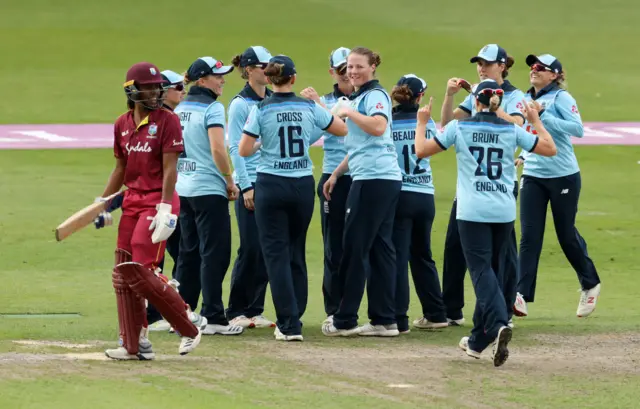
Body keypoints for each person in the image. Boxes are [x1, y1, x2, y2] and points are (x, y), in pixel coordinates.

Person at [414, 79, 557, 367]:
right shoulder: (510, 129)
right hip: (503, 210)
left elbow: (421, 150)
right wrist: (535, 121)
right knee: (495, 270)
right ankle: (479, 340)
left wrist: (422, 122)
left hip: (472, 211)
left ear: (475, 102)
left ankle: (497, 323)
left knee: (481, 272)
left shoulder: (461, 127)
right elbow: (549, 148)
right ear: (497, 103)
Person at [239, 55, 348, 341]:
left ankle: (288, 324)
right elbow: (340, 128)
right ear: (294, 79)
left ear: (270, 79)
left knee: (275, 254)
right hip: (301, 184)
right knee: (295, 250)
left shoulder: (261, 108)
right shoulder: (308, 105)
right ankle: (295, 313)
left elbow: (244, 150)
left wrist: (265, 141)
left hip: (271, 184)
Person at [101, 61, 202, 360]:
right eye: (149, 87)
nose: (157, 92)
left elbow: (171, 170)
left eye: (159, 87)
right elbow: (120, 168)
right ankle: (134, 343)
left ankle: (189, 324)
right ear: (132, 90)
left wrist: (164, 207)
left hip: (159, 201)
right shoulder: (122, 124)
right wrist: (103, 204)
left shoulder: (168, 120)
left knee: (142, 271)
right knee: (123, 273)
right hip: (131, 202)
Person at [439, 44, 526, 327]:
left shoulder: (515, 96)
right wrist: (451, 96)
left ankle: (504, 310)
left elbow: (516, 124)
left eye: (487, 63)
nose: (481, 67)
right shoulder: (478, 92)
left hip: (500, 183)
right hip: (470, 183)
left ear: (502, 65)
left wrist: (490, 104)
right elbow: (448, 122)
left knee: (503, 254)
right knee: (454, 244)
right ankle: (451, 310)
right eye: (479, 63)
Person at [321, 47, 403, 338]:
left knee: (354, 248)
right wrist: (336, 173)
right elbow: (362, 145)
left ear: (372, 68)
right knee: (380, 249)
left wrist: (350, 112)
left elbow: (379, 127)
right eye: (349, 67)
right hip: (378, 178)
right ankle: (384, 319)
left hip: (373, 180)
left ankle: (345, 319)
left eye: (358, 66)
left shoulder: (375, 96)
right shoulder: (360, 97)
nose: (352, 72)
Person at [513, 54, 601, 318]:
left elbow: (577, 129)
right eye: (532, 66)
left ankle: (590, 283)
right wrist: (523, 155)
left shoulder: (562, 98)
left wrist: (542, 117)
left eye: (540, 67)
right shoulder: (528, 99)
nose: (534, 70)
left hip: (563, 175)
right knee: (529, 236)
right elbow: (531, 135)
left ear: (554, 75)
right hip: (533, 175)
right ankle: (520, 296)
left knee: (565, 234)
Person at [174, 56, 244, 336]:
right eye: (217, 76)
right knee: (214, 254)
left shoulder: (178, 106)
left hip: (184, 188)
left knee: (187, 254)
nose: (223, 80)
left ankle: (181, 313)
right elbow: (218, 149)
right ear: (202, 80)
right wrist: (229, 180)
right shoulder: (212, 108)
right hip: (208, 188)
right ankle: (213, 316)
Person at [299, 46, 354, 324]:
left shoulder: (366, 99)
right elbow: (307, 137)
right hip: (333, 177)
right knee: (334, 246)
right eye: (342, 69)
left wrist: (321, 109)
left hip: (364, 176)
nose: (348, 74)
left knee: (364, 245)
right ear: (332, 71)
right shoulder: (321, 101)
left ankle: (359, 310)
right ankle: (335, 310)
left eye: (352, 68)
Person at [389, 74, 448, 333]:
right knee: (423, 256)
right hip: (424, 194)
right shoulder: (426, 123)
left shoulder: (386, 121)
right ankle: (435, 313)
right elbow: (435, 146)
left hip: (398, 195)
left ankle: (399, 318)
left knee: (398, 257)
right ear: (421, 96)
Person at [226, 46, 276, 330]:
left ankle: (255, 309)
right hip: (251, 181)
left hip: (270, 179)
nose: (267, 70)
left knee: (267, 247)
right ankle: (236, 309)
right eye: (262, 66)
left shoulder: (271, 99)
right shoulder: (240, 104)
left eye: (270, 65)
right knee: (250, 247)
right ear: (248, 70)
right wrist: (245, 186)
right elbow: (235, 148)